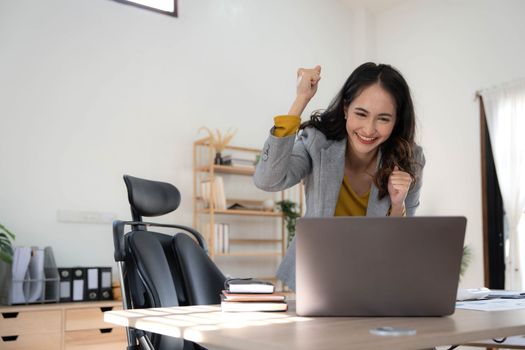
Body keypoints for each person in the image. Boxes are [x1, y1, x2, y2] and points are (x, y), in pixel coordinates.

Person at [253, 62, 426, 290]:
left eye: (383, 118)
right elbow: (268, 180)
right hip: (314, 278)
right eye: (361, 114)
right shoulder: (317, 141)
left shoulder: (409, 158)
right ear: (346, 109)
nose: (368, 129)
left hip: (373, 281)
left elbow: (401, 245)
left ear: (396, 121)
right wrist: (301, 100)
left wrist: (397, 205)